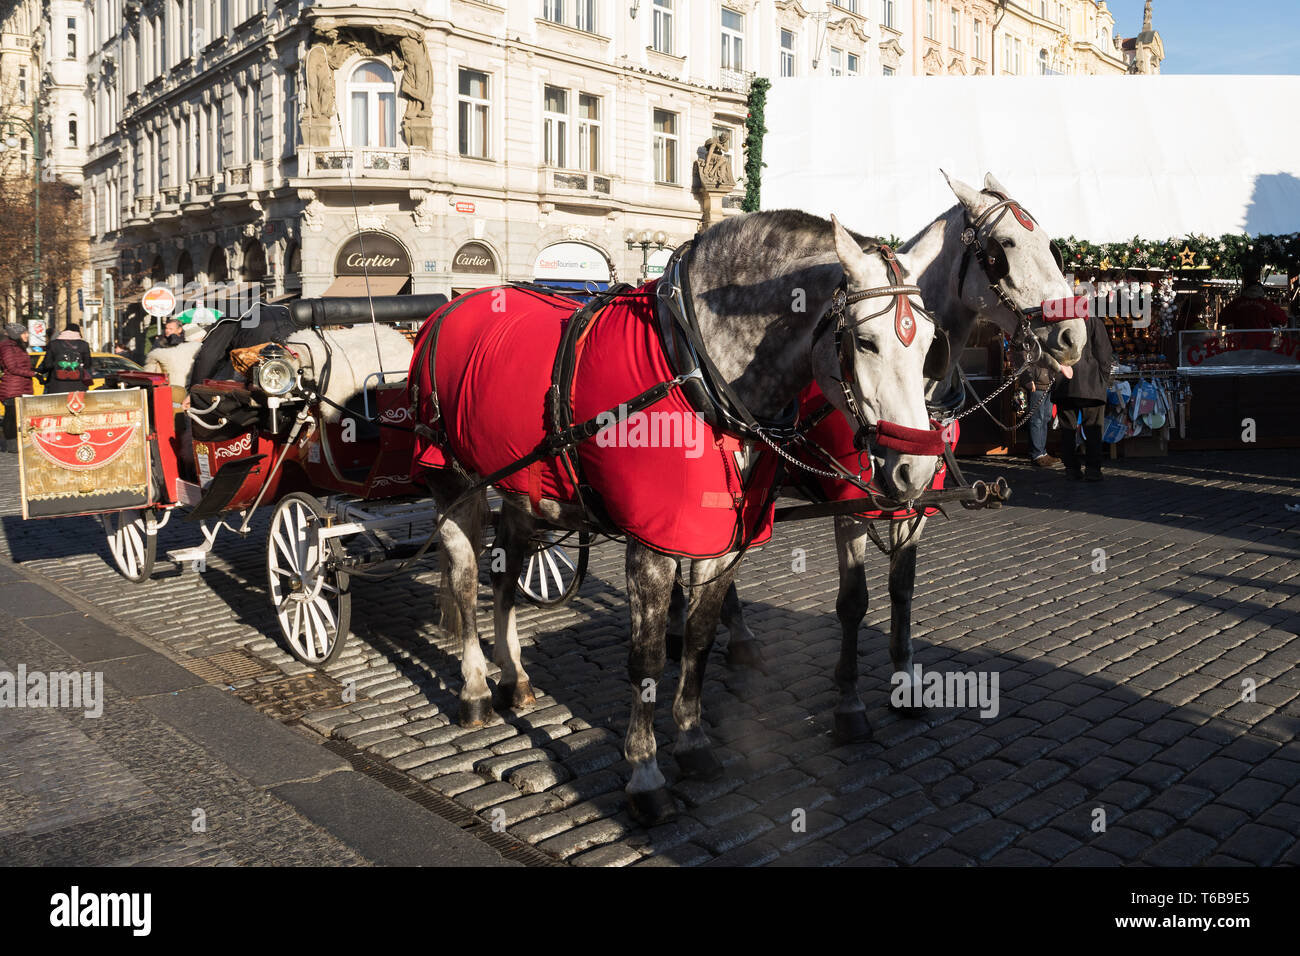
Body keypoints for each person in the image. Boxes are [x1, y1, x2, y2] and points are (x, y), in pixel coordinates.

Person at [1052, 310, 1115, 482]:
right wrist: (1103, 378)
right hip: (1091, 383)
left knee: (1067, 430)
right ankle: (1093, 469)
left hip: (1065, 382)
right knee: (1093, 429)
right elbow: (1104, 353)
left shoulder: (1060, 321)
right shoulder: (1093, 321)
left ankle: (1071, 468)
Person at [0, 323, 37, 453]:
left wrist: (34, 371)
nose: (27, 335)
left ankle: (20, 443)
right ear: (16, 335)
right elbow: (12, 368)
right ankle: (12, 445)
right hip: (12, 388)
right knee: (11, 417)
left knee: (20, 417)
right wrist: (33, 373)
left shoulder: (19, 347)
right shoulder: (8, 347)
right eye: (24, 333)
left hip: (22, 386)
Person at [1217, 267, 1288, 331]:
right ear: (1261, 290)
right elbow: (1283, 319)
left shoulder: (1236, 303)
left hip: (1241, 341)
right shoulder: (1266, 304)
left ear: (1245, 290)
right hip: (1263, 341)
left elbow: (1222, 319)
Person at [1019, 357, 1058, 467]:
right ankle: (1037, 454)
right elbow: (1021, 356)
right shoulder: (1029, 340)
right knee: (1037, 420)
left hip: (1049, 382)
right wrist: (1027, 379)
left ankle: (1042, 452)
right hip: (1037, 382)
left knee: (1045, 418)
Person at [38, 323, 94, 394]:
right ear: (78, 332)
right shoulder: (84, 345)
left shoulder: (53, 344)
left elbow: (47, 365)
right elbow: (88, 364)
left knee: (57, 404)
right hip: (79, 386)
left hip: (57, 385)